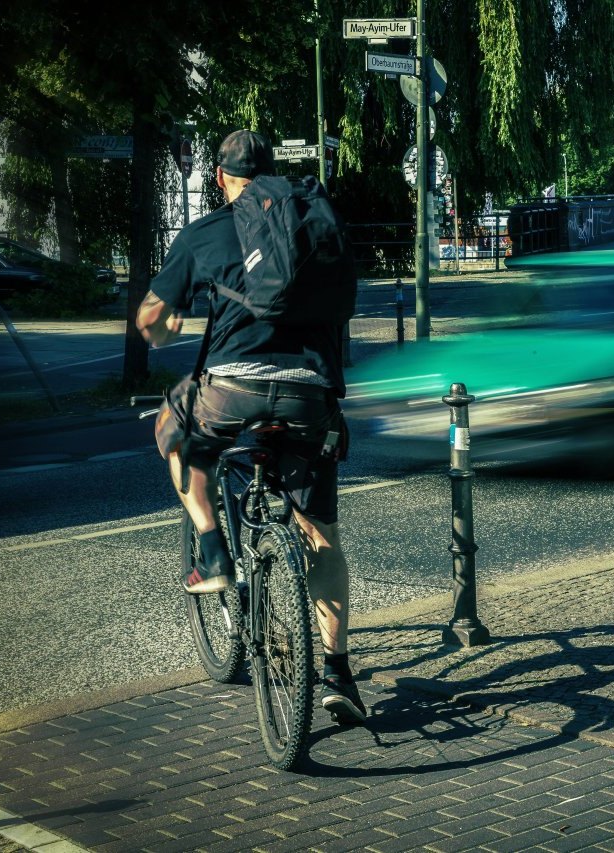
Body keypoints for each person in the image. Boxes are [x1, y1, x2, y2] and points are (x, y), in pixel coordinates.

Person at [135, 129, 367, 725]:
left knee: (174, 426)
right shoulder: (313, 225)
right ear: (272, 174)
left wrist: (163, 329)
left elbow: (155, 322)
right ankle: (339, 673)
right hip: (309, 394)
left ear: (220, 177)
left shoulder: (206, 233)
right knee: (322, 538)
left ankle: (212, 549)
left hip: (231, 391)